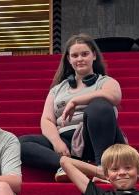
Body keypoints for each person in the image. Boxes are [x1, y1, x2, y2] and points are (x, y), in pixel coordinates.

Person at [19, 33, 126, 182]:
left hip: (95, 139)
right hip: (66, 143)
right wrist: (57, 143)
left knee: (100, 106)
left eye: (84, 54)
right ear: (69, 59)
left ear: (94, 56)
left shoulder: (106, 82)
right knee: (20, 143)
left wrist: (76, 100)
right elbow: (47, 119)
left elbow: (114, 96)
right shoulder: (57, 89)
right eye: (75, 55)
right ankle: (78, 167)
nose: (80, 59)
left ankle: (103, 165)